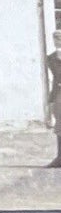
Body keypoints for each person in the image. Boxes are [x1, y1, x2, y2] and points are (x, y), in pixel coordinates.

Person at [48, 35, 61, 168]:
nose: (57, 42)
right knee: (60, 125)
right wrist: (51, 99)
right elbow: (57, 77)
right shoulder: (51, 58)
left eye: (59, 40)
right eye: (55, 40)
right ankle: (60, 158)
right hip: (59, 94)